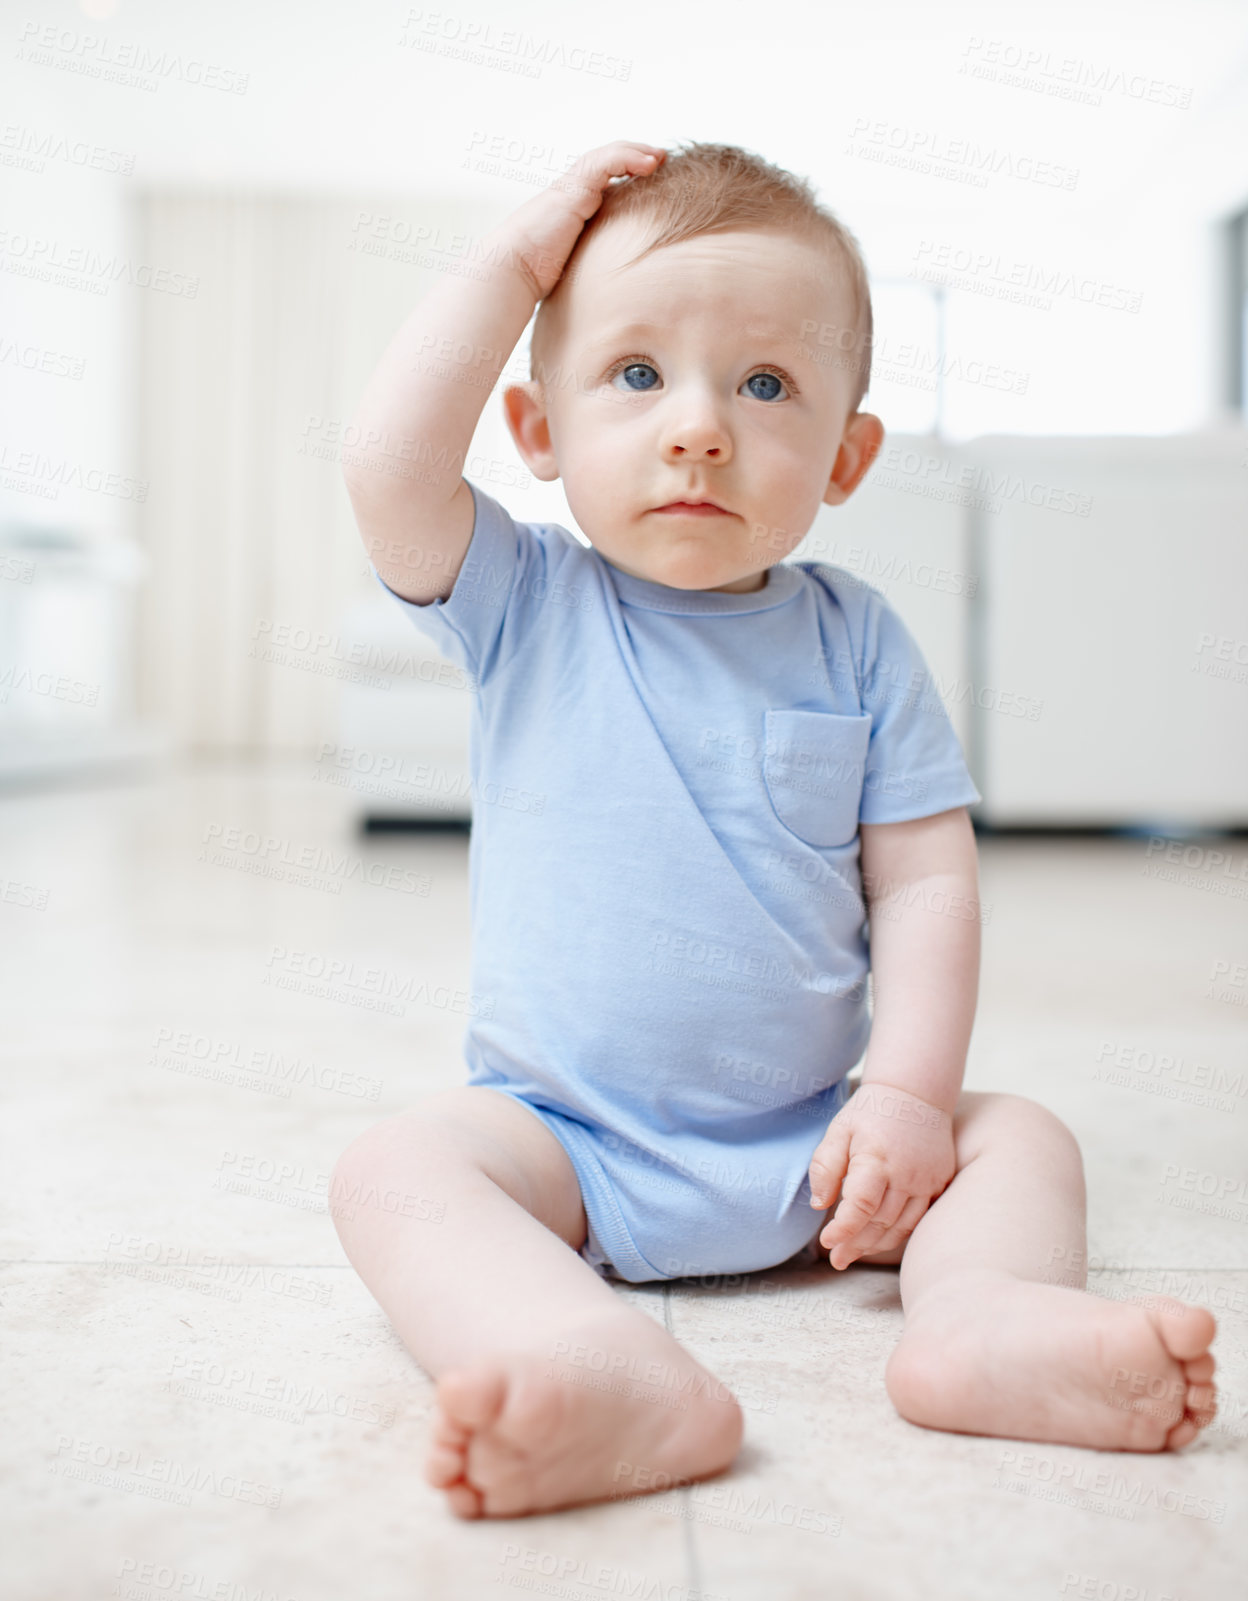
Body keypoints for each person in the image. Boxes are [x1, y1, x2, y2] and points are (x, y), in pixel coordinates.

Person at [330, 139, 1217, 1520]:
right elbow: (388, 465)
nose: (699, 426)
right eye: (636, 374)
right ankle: (595, 1362)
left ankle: (979, 1318)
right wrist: (512, 264)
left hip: (824, 1147)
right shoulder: (529, 603)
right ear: (538, 430)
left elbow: (926, 883)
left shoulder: (858, 640)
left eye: (765, 384)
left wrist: (910, 1099)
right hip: (568, 1138)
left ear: (848, 454)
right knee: (397, 1169)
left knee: (1021, 1133)